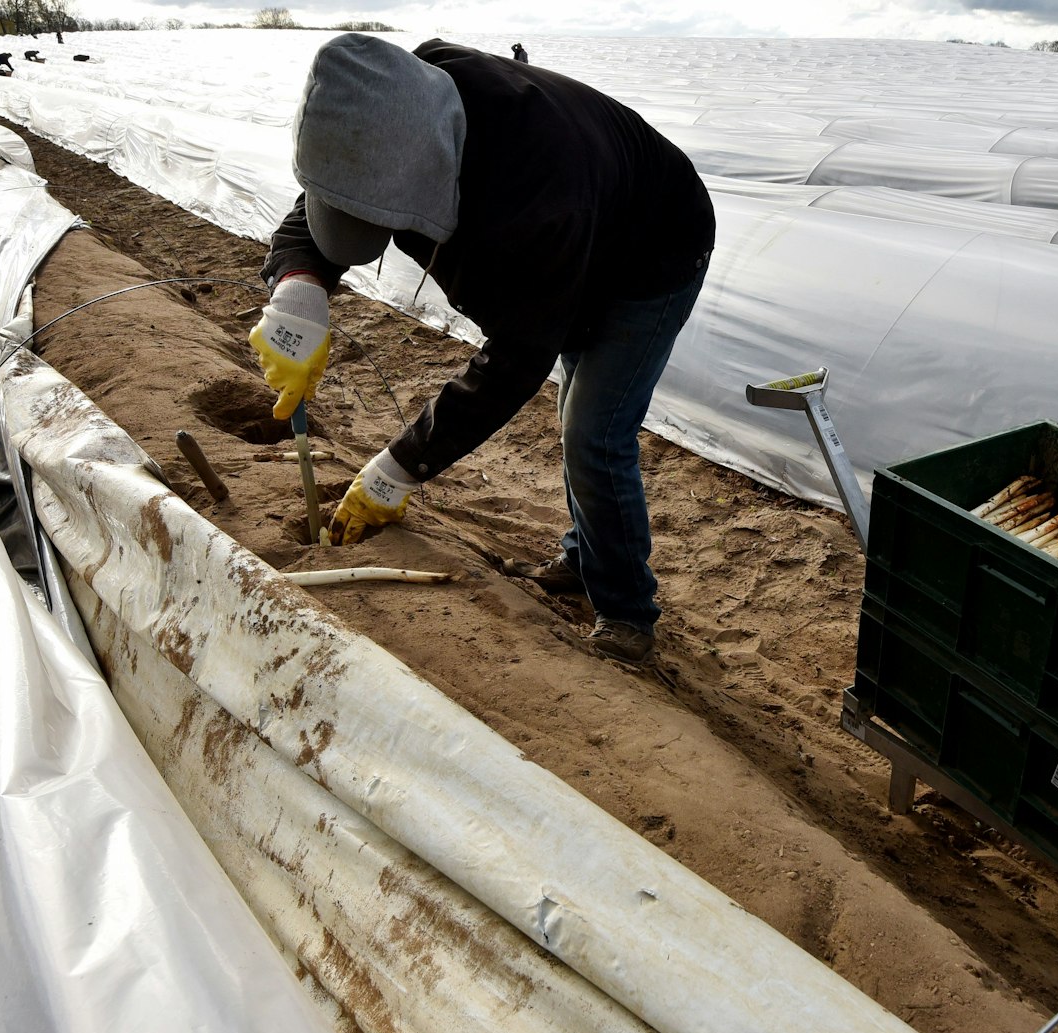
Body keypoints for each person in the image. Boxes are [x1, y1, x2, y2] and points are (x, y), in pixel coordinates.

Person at [250, 34, 714, 663]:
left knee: (595, 432)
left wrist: (398, 468)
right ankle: (585, 561)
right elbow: (329, 199)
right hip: (586, 222)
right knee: (577, 415)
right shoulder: (394, 102)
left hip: (651, 250)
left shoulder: (533, 193)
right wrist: (298, 287)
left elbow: (520, 356)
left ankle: (626, 615)